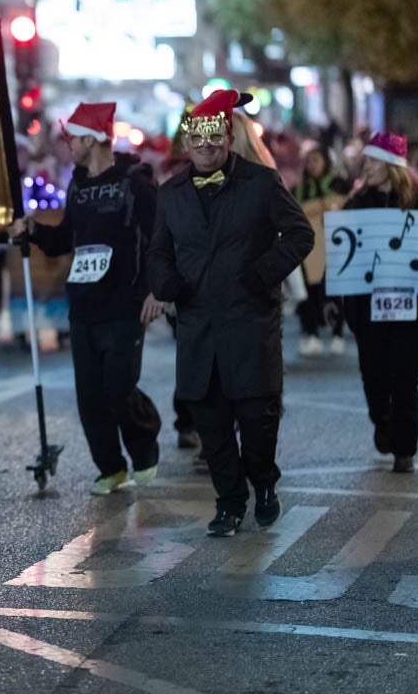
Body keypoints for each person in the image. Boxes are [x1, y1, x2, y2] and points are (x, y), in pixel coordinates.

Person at [147, 89, 314, 537]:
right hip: (198, 326)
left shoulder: (261, 183)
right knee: (212, 426)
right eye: (196, 139)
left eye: (213, 138)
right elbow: (158, 251)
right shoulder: (170, 194)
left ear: (226, 137)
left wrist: (263, 275)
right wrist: (163, 284)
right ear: (186, 144)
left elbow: (299, 234)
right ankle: (228, 503)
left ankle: (263, 483)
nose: (205, 146)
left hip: (251, 323)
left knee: (259, 424)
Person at [8, 102, 163, 495]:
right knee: (90, 394)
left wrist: (154, 289)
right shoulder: (77, 185)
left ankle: (144, 445)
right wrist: (34, 231)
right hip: (85, 304)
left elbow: (158, 239)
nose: (67, 145)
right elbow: (65, 240)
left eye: (72, 137)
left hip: (124, 303)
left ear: (92, 138)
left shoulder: (135, 182)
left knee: (119, 386)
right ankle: (110, 467)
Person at [334, 132, 418, 473]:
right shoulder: (355, 203)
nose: (367, 166)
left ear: (392, 165)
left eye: (374, 160)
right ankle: (381, 419)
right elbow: (342, 254)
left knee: (406, 377)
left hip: (411, 305)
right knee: (373, 374)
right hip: (366, 307)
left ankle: (404, 449)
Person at [293, 146, 350, 356]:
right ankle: (311, 332)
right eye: (309, 161)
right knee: (308, 293)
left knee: (335, 293)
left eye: (316, 160)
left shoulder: (339, 184)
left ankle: (337, 332)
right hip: (309, 252)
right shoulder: (299, 188)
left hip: (335, 249)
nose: (312, 165)